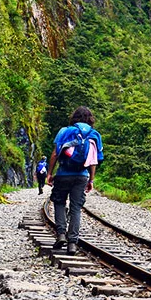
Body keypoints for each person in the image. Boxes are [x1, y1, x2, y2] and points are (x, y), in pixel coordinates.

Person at [45, 107, 104, 255]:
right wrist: (91, 180)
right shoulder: (94, 135)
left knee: (59, 202)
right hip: (81, 176)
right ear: (90, 119)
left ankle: (61, 234)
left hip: (63, 174)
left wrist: (50, 173)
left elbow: (55, 154)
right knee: (76, 208)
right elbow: (93, 161)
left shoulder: (64, 131)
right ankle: (72, 243)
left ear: (74, 118)